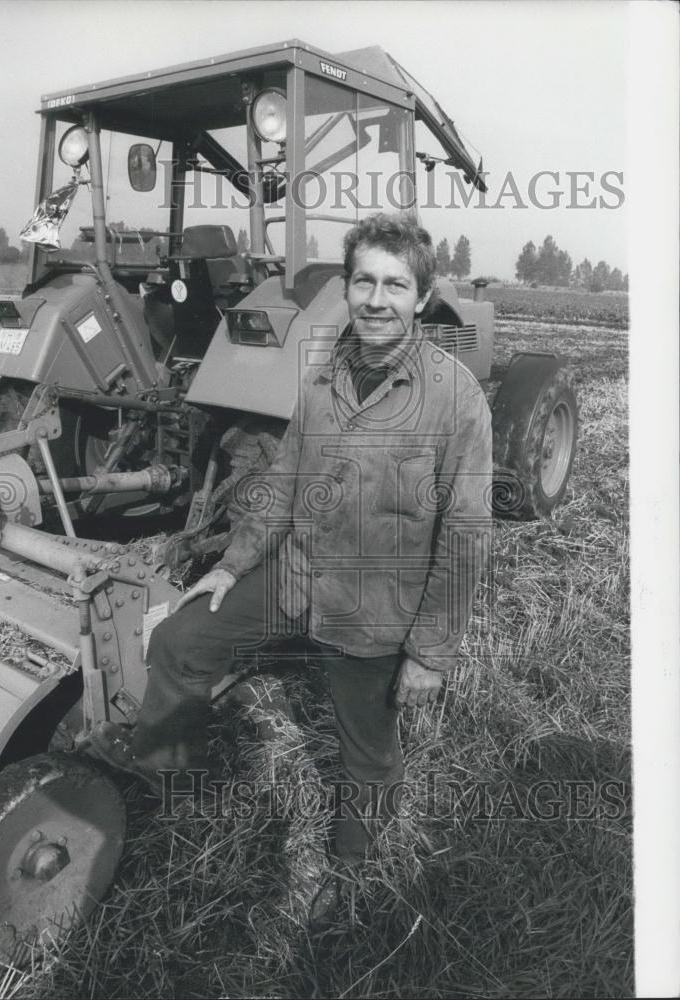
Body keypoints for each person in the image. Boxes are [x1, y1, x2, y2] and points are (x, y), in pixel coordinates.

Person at [92, 212, 492, 925]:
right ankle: (172, 796)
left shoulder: (454, 396)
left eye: (394, 285)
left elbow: (464, 534)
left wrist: (430, 652)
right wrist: (232, 564)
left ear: (422, 298)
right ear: (346, 286)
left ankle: (350, 872)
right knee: (180, 644)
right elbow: (281, 481)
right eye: (363, 280)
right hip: (296, 574)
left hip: (372, 604)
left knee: (364, 748)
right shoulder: (323, 376)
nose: (375, 299)